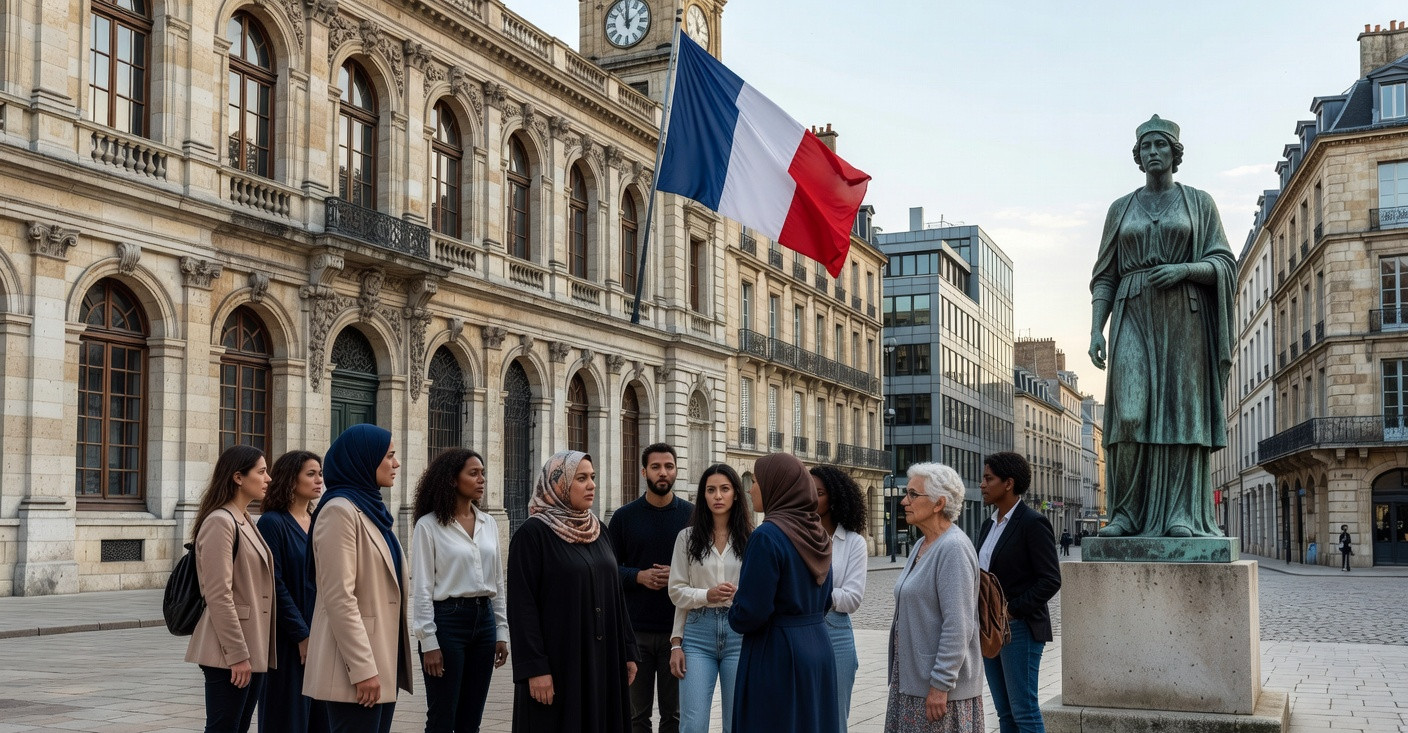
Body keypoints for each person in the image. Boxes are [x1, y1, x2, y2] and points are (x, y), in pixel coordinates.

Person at [1089, 114, 1235, 539]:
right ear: (1138, 156)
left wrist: (1185, 269)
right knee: (1129, 413)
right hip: (1132, 310)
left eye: (1161, 145)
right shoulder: (1121, 208)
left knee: (1180, 413)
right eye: (1146, 147)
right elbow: (1105, 275)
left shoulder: (1199, 202)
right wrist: (1097, 328)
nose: (1154, 152)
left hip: (1185, 316)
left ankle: (1180, 514)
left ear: (1175, 153)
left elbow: (1224, 262)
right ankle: (1126, 514)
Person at [508, 450, 639, 732]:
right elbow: (522, 608)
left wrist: (628, 650)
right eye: (581, 478)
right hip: (559, 662)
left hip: (603, 658)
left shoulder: (598, 530)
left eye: (592, 477)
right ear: (558, 484)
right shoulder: (532, 535)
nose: (591, 484)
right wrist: (535, 668)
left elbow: (616, 595)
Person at [304, 425, 413, 733]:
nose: (396, 463)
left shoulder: (371, 509)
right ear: (363, 459)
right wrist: (363, 669)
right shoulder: (339, 511)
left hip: (382, 658)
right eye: (389, 456)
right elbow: (339, 597)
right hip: (355, 666)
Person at [729, 453, 838, 733]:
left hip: (777, 652)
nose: (750, 489)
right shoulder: (818, 534)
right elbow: (826, 599)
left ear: (777, 486)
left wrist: (734, 608)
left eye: (756, 482)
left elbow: (752, 611)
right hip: (818, 645)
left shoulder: (767, 536)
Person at [410, 449, 510, 733]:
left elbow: (497, 583)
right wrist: (428, 642)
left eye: (482, 473)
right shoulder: (428, 525)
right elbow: (422, 587)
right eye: (473, 473)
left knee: (471, 719)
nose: (481, 479)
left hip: (484, 621)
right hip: (447, 622)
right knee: (442, 716)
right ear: (452, 479)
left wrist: (501, 631)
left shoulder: (489, 523)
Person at [886, 463, 984, 732]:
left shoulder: (953, 548)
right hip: (914, 682)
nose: (904, 501)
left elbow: (958, 625)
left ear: (939, 503)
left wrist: (940, 683)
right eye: (906, 493)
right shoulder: (922, 543)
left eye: (913, 494)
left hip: (939, 690)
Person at [185, 444, 277, 733]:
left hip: (253, 644)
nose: (268, 478)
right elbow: (218, 595)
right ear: (238, 477)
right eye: (261, 472)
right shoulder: (220, 522)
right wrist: (237, 654)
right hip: (229, 650)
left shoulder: (244, 518)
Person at [607, 443, 693, 733]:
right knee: (635, 717)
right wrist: (638, 576)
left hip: (678, 633)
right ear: (644, 472)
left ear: (676, 470)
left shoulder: (693, 516)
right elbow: (608, 571)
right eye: (656, 467)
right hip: (635, 633)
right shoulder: (623, 517)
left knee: (675, 717)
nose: (663, 473)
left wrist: (678, 575)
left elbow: (705, 572)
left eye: (669, 466)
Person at [977, 452, 1061, 733]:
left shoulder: (1032, 523)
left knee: (1024, 711)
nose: (982, 484)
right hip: (991, 629)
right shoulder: (989, 524)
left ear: (1008, 483)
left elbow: (1050, 579)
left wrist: (1011, 611)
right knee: (1005, 714)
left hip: (1020, 628)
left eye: (988, 478)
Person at [667, 464, 752, 733]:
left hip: (739, 634)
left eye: (724, 489)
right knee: (692, 724)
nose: (717, 496)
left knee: (737, 722)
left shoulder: (752, 538)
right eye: (711, 490)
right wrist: (676, 644)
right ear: (703, 495)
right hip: (697, 634)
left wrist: (740, 595)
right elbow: (676, 591)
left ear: (735, 494)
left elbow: (759, 591)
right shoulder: (687, 538)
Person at [256, 450, 329, 733]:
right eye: (311, 474)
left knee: (321, 719)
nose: (319, 480)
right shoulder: (273, 522)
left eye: (320, 474)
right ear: (290, 479)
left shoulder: (318, 520)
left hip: (321, 632)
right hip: (288, 639)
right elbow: (274, 583)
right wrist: (301, 634)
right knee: (288, 717)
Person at [811, 464, 868, 731]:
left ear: (834, 498)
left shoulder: (854, 542)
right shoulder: (796, 537)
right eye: (809, 491)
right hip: (800, 629)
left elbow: (852, 598)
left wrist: (811, 593)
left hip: (836, 631)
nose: (812, 498)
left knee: (835, 718)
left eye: (820, 493)